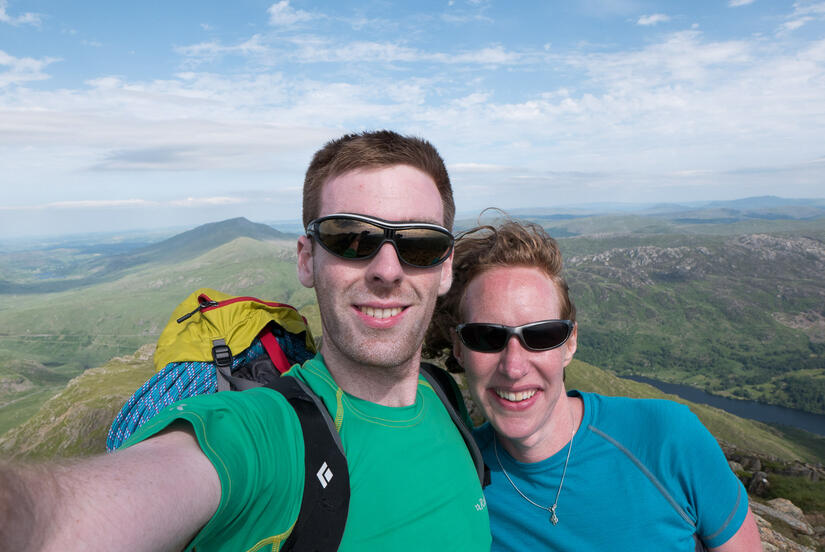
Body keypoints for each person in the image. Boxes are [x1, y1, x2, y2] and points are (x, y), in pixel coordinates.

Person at [0, 131, 491, 551]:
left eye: (419, 243)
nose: (387, 269)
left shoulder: (445, 397)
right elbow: (66, 518)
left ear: (445, 267)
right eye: (351, 239)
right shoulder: (268, 436)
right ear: (306, 260)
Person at [426, 219, 762, 551]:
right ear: (459, 348)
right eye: (486, 337)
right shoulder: (455, 481)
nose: (513, 367)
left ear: (569, 344)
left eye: (541, 335)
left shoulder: (667, 438)